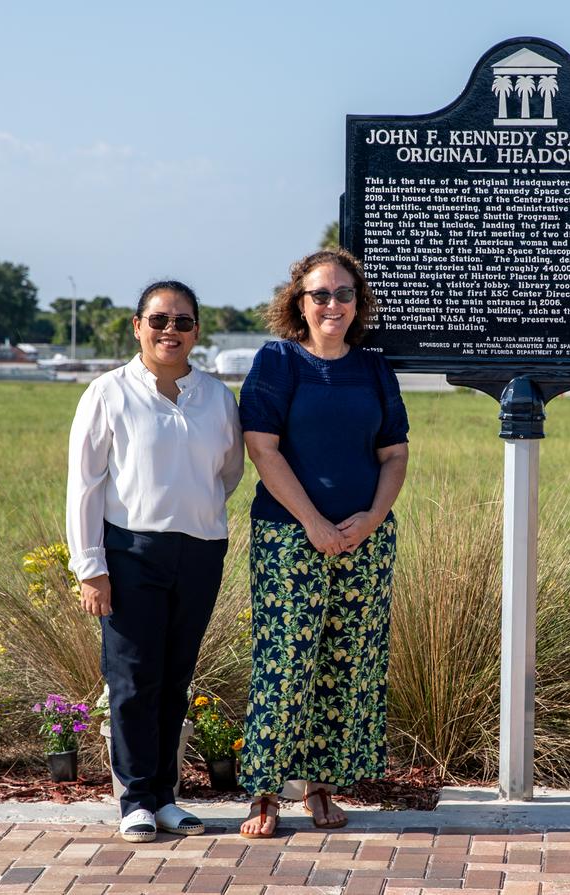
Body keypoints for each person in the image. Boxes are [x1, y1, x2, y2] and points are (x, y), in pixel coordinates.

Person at [237, 247, 409, 838]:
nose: (332, 305)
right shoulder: (277, 362)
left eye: (344, 295)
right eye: (320, 295)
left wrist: (370, 518)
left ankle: (321, 786)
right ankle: (264, 793)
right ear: (299, 303)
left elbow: (394, 454)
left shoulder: (373, 368)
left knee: (345, 663)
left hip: (366, 539)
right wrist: (312, 522)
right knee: (285, 661)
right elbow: (264, 449)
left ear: (357, 305)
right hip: (290, 536)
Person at [67, 280, 244, 843]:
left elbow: (229, 472)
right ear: (138, 326)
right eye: (160, 320)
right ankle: (135, 799)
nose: (171, 331)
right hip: (130, 553)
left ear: (198, 329)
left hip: (199, 552)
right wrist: (90, 565)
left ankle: (166, 797)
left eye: (184, 322)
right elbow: (84, 486)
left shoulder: (216, 396)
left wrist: (195, 514)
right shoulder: (108, 393)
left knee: (175, 678)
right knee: (133, 678)